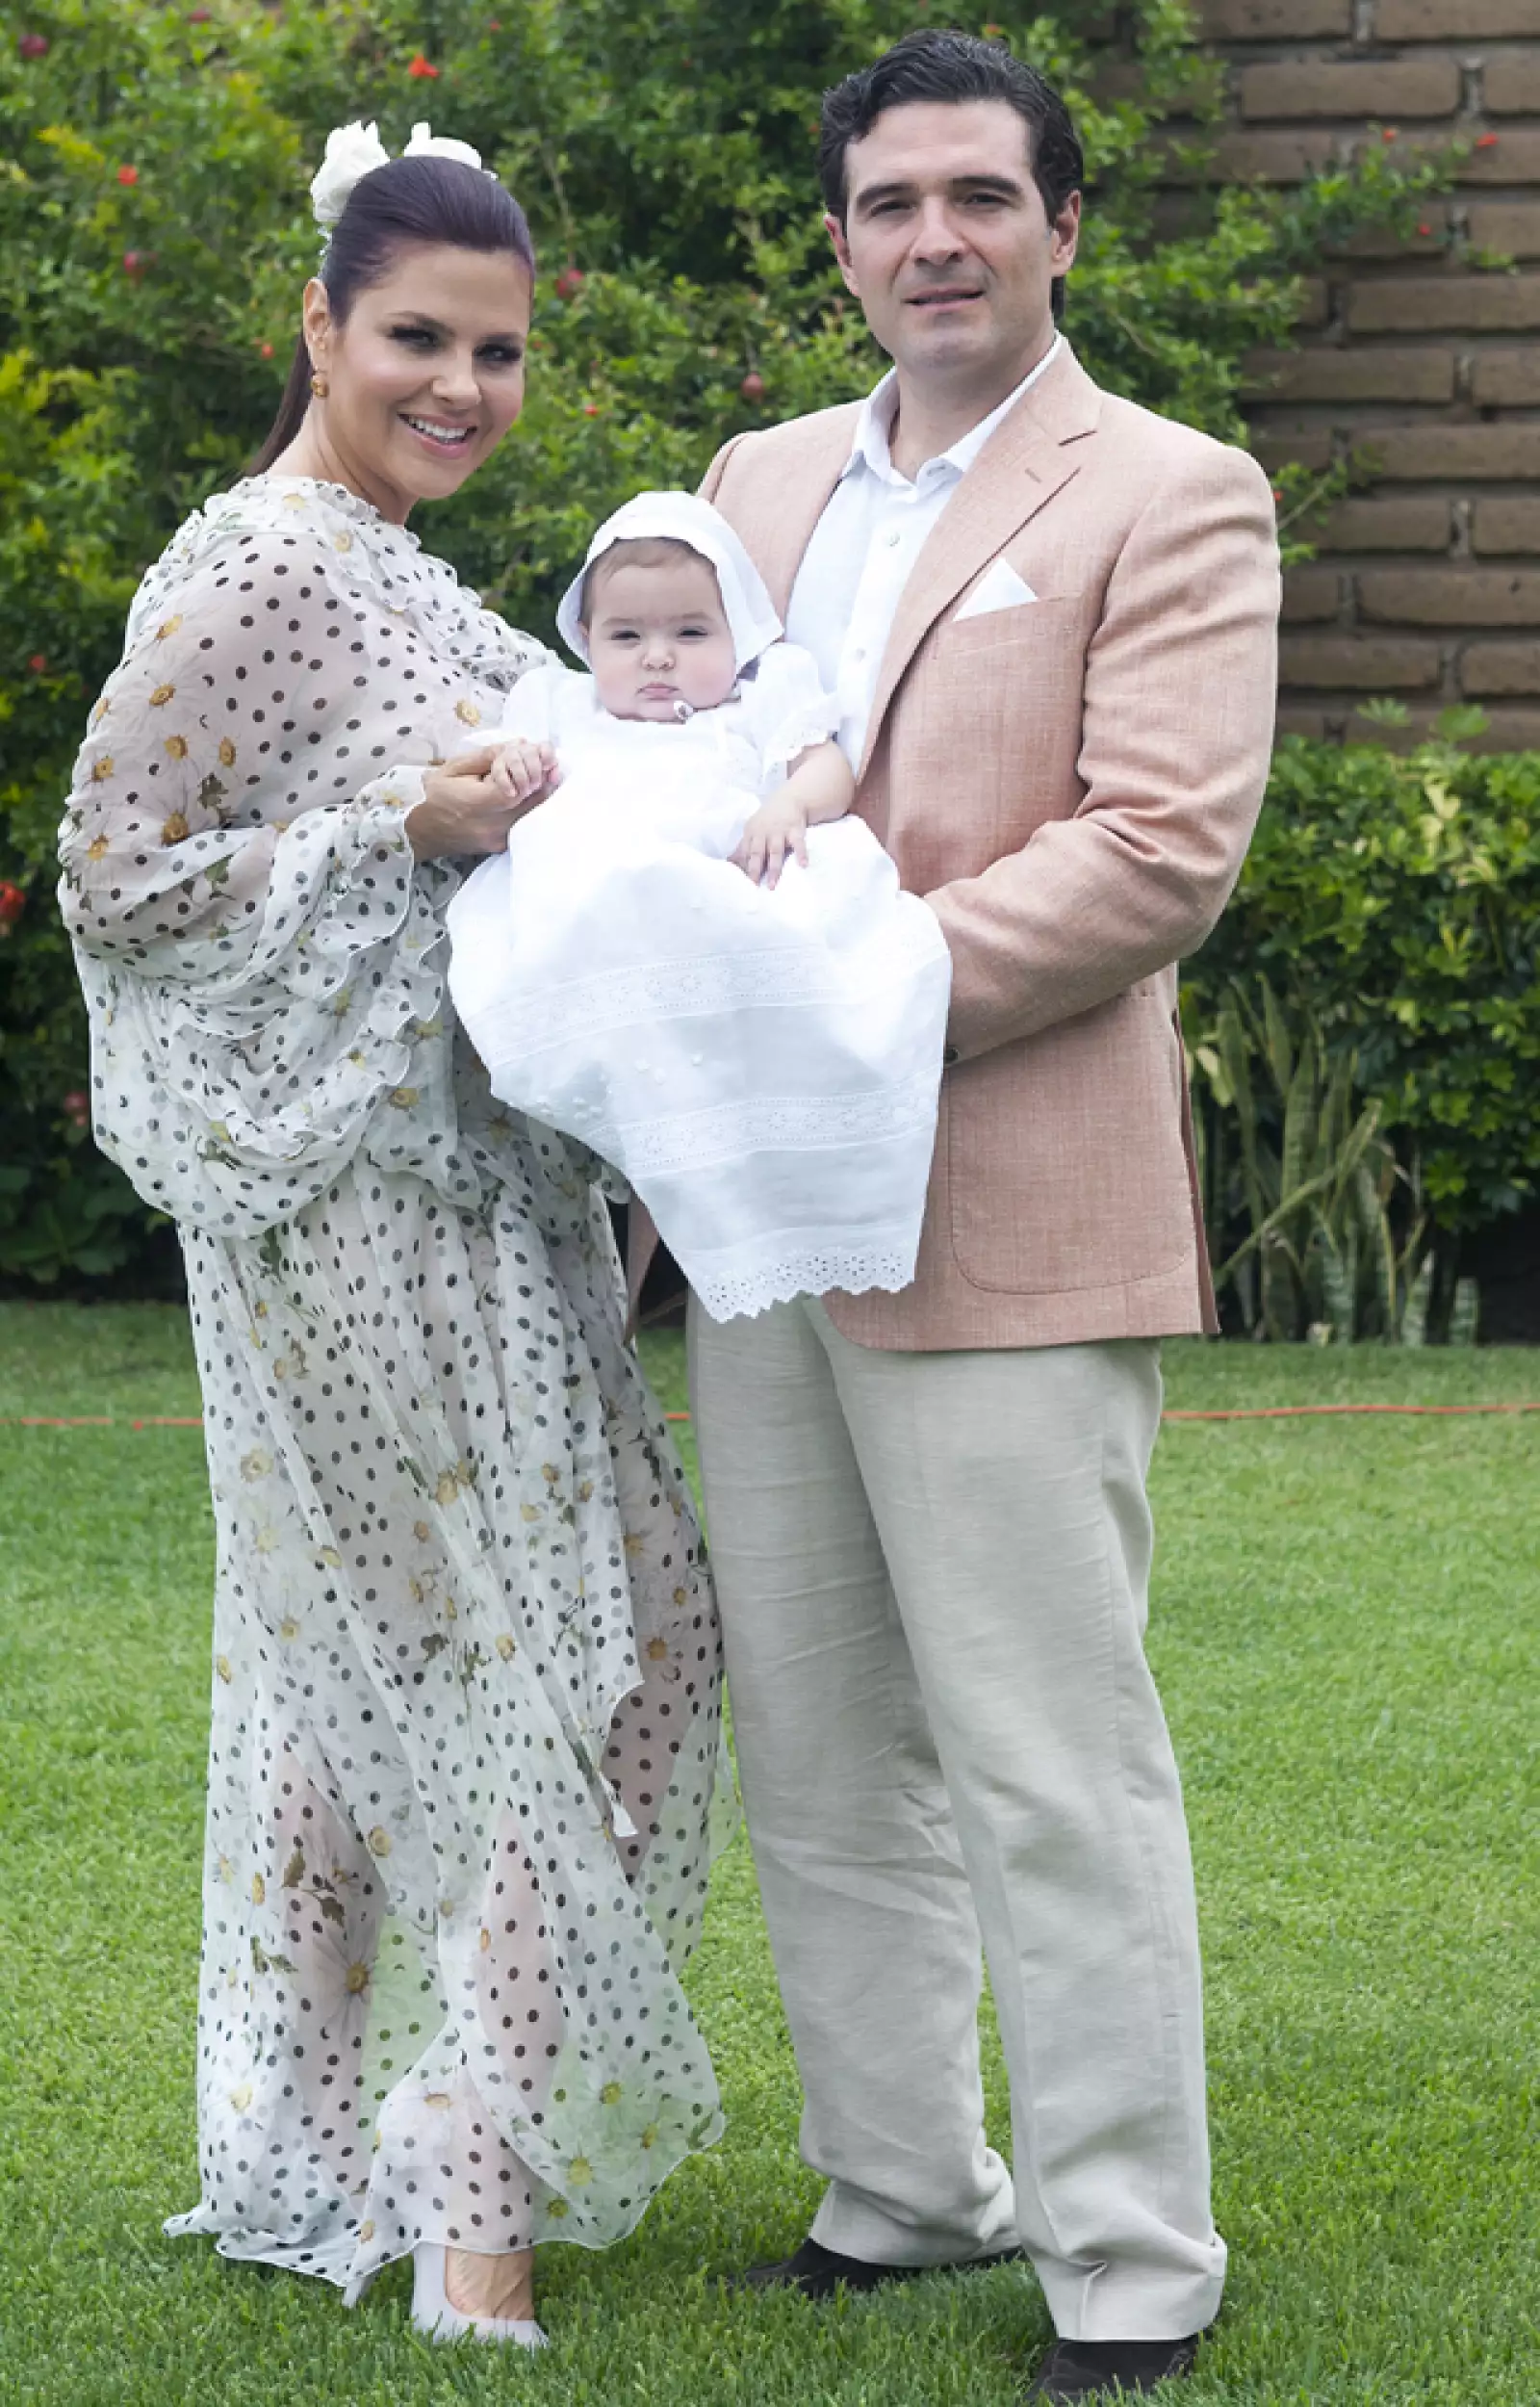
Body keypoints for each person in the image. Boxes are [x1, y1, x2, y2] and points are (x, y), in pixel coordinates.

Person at [57, 120, 732, 2350]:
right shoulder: (248, 564)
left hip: (482, 1199)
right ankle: (470, 2201)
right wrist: (387, 835)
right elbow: (113, 882)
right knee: (587, 1660)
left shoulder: (408, 574)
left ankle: (328, 2146)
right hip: (345, 1215)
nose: (461, 385)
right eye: (418, 340)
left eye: (501, 352)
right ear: (319, 331)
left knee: (400, 1684)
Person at [671, 30, 1281, 2405]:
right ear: (836, 242)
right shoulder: (748, 479)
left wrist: (841, 988)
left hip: (1004, 1204)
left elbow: (1154, 851)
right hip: (758, 1220)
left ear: (1057, 228)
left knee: (1045, 1751)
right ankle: (904, 2189)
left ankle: (1131, 2260)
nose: (931, 237)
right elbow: (678, 756)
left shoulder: (1173, 487)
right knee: (819, 1744)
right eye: (887, 203)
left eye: (976, 198)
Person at [445, 488, 953, 1324]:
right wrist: (509, 772)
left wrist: (787, 806)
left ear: (737, 634)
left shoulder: (759, 699)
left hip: (719, 893)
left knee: (777, 931)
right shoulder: (560, 707)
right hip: (601, 915)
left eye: (689, 633)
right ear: (585, 640)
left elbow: (826, 767)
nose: (657, 658)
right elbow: (495, 769)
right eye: (627, 636)